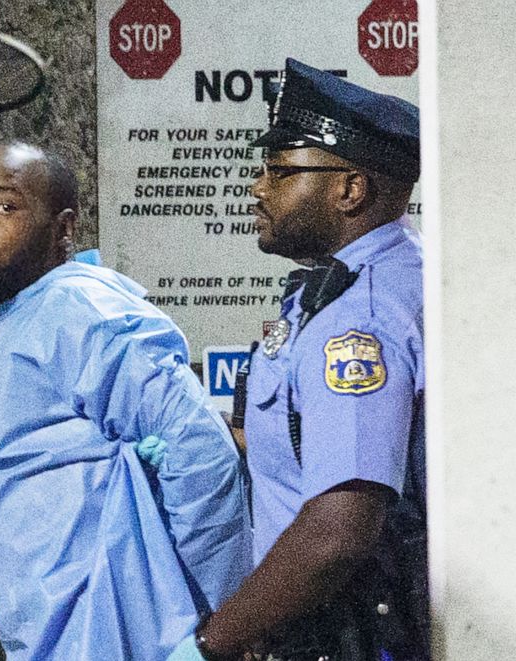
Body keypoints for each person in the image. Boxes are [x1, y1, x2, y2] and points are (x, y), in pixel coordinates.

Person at [169, 59, 427, 660]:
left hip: (347, 635)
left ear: (349, 189)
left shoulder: (361, 317)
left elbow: (339, 530)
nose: (259, 188)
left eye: (281, 172)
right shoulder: (372, 280)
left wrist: (216, 640)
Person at [0, 141, 251, 660]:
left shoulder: (80, 309)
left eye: (4, 205)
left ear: (64, 230)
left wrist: (225, 625)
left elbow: (201, 449)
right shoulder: (24, 325)